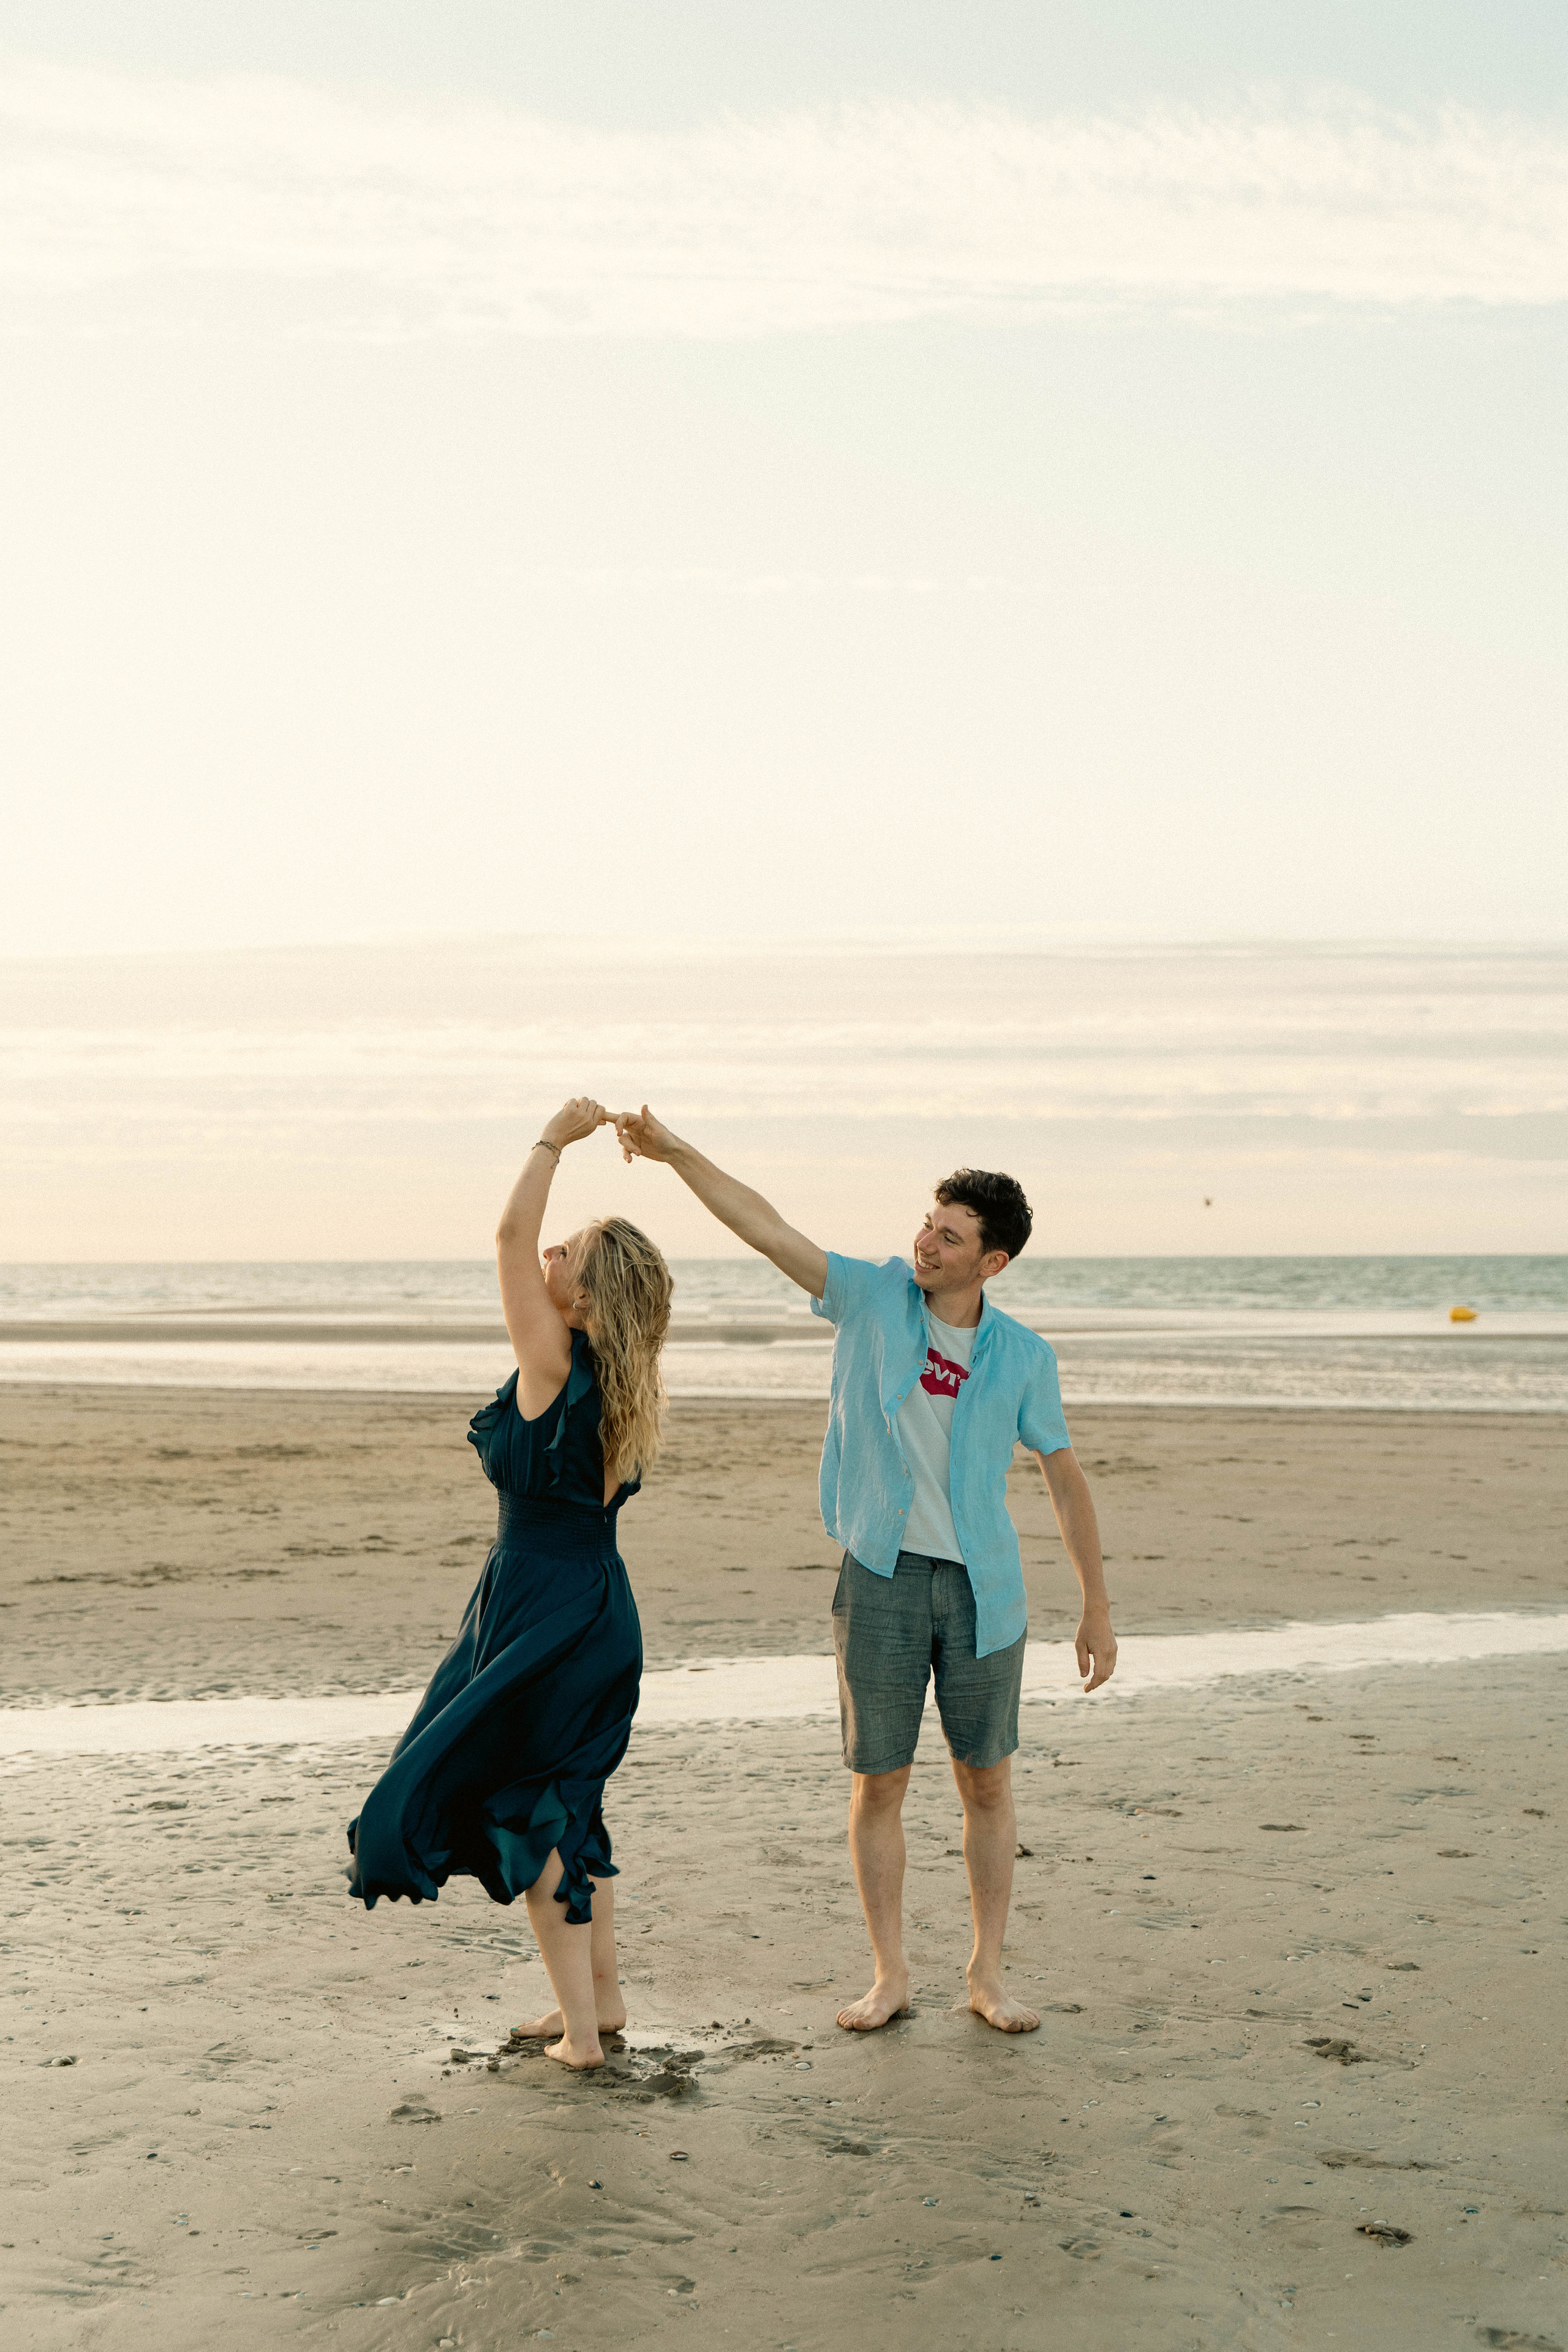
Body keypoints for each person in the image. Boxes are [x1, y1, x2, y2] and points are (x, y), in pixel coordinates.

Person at [614, 1106, 1115, 2037]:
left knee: (987, 1783)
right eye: (928, 1222)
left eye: (951, 1236)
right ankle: (890, 1974)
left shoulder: (1023, 1357)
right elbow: (765, 1228)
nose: (926, 1242)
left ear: (991, 1262)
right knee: (879, 1781)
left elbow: (1064, 1477)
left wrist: (1097, 1607)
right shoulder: (872, 1296)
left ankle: (987, 1974)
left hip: (984, 1594)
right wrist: (677, 1150)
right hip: (880, 1577)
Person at [345, 1098, 672, 2071]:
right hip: (592, 1609)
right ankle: (600, 2005)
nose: (546, 1259)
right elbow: (524, 1247)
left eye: (566, 1254)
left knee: (537, 1817)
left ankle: (580, 2037)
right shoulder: (618, 1381)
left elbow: (504, 1234)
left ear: (585, 1298)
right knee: (571, 1807)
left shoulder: (554, 1361)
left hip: (543, 1611)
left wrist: (552, 1140)